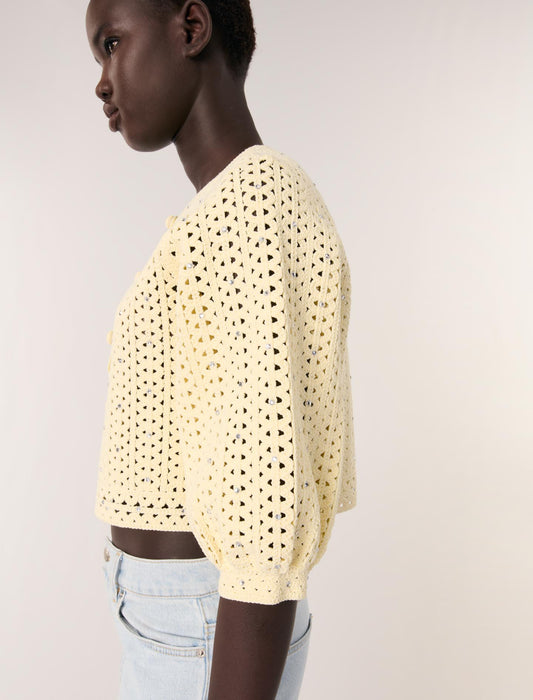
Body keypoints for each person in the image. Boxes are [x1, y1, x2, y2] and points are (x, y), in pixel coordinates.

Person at [85, 1, 357, 698]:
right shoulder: (229, 207)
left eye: (112, 43)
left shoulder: (250, 203)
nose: (102, 81)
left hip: (205, 627)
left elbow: (268, 498)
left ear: (191, 28)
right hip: (189, 622)